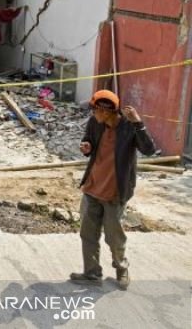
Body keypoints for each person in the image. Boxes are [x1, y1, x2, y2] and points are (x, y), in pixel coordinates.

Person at [70, 90, 155, 290]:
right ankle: (92, 273)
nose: (93, 114)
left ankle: (121, 267)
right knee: (88, 234)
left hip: (114, 192)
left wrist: (138, 123)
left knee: (114, 237)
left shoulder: (129, 128)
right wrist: (86, 147)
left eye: (95, 110)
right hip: (92, 187)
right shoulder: (95, 124)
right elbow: (88, 140)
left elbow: (149, 150)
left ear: (106, 111)